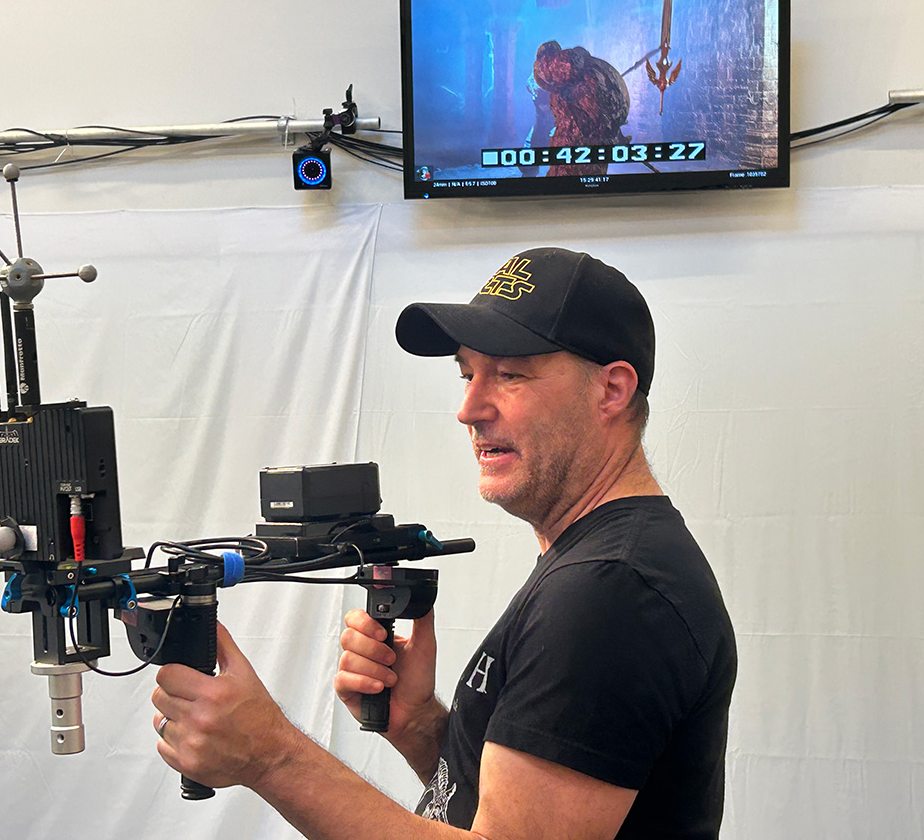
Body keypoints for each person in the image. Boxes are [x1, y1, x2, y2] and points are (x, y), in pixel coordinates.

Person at [151, 247, 737, 840]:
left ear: (611, 390)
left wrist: (272, 755)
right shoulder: (595, 564)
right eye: (466, 374)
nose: (468, 409)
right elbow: (504, 809)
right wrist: (417, 724)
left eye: (509, 375)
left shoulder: (612, 590)